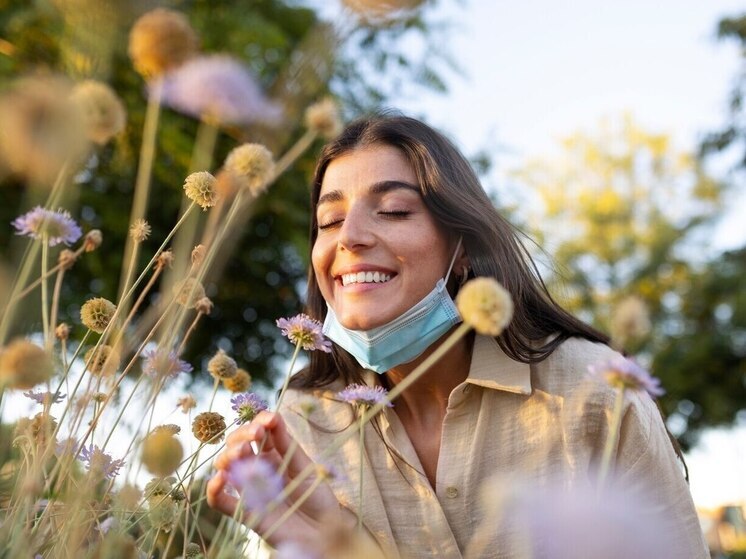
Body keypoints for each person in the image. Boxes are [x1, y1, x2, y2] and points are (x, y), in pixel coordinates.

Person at [207, 114, 709, 558]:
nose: (350, 236)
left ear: (462, 248)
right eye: (330, 220)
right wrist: (339, 544)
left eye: (395, 210)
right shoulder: (301, 422)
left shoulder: (598, 391)